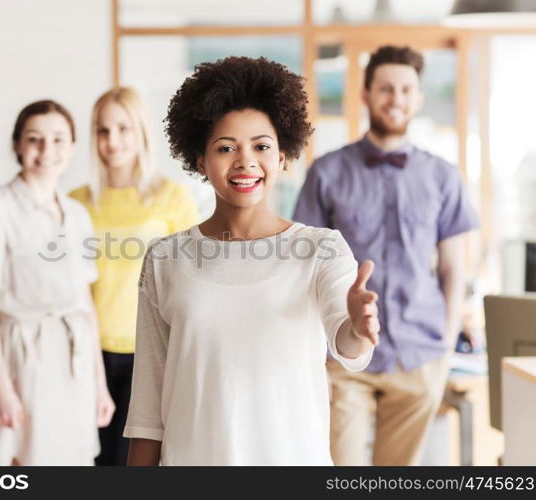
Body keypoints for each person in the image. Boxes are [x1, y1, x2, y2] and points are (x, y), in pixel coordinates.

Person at [124, 56, 379, 466]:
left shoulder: (320, 249)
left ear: (282, 157)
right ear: (200, 161)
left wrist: (358, 327)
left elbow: (348, 347)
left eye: (261, 146)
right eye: (226, 148)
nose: (245, 161)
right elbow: (148, 412)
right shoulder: (164, 259)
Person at [292, 45, 479, 466]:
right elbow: (305, 268)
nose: (395, 98)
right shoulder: (326, 172)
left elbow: (453, 269)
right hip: (344, 357)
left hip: (419, 353)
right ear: (366, 94)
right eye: (386, 88)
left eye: (405, 89)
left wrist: (446, 348)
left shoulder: (444, 177)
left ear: (418, 98)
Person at [0, 100, 115, 465]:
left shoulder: (78, 214)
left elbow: (85, 304)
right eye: (35, 139)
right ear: (17, 145)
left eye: (58, 139)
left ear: (71, 146)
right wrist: (2, 388)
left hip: (75, 362)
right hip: (22, 359)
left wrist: (99, 386)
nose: (47, 150)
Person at [70, 87, 198, 465]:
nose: (113, 141)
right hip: (89, 353)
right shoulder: (76, 202)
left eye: (123, 128)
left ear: (141, 131)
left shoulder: (172, 198)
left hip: (151, 351)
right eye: (103, 130)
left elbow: (189, 282)